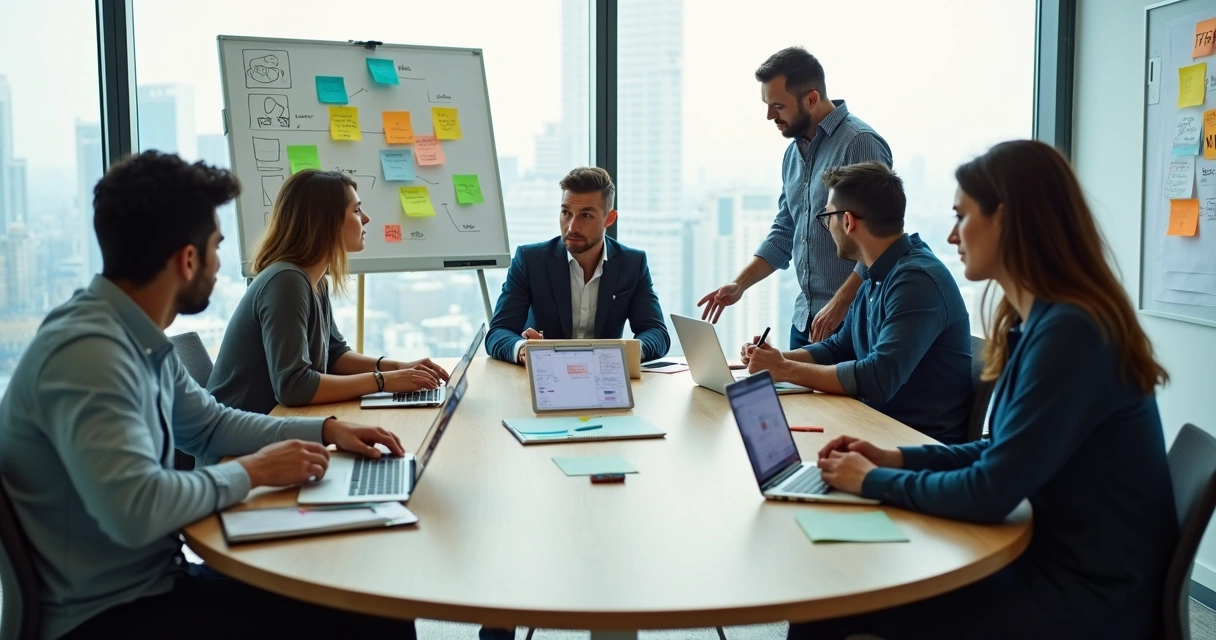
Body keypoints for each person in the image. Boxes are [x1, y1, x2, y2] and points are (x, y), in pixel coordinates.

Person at [0, 151, 418, 639]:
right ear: (188, 258)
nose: (222, 263)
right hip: (108, 615)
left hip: (157, 582)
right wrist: (255, 469)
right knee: (373, 617)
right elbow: (137, 512)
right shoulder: (90, 354)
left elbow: (212, 424)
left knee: (365, 599)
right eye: (217, 246)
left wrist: (327, 430)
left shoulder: (132, 336)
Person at [789, 140, 1178, 639]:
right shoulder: (1042, 323)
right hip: (1050, 559)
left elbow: (990, 491)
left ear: (1007, 220)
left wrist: (869, 481)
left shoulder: (1070, 334)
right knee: (836, 588)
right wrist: (895, 460)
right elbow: (1000, 450)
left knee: (830, 600)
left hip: (1082, 595)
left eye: (962, 216)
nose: (951, 235)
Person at [743, 162, 971, 443]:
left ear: (848, 221)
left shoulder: (915, 281)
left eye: (827, 218)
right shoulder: (877, 272)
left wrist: (784, 369)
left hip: (917, 443)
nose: (827, 228)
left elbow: (877, 379)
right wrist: (772, 359)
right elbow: (840, 347)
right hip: (875, 426)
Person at [209, 169, 449, 415]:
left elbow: (334, 356)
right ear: (326, 221)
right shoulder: (286, 281)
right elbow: (293, 387)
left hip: (274, 428)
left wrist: (397, 367)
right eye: (356, 210)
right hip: (238, 447)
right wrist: (383, 380)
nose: (366, 218)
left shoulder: (314, 279)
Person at [699, 46, 892, 349]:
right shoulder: (793, 153)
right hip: (806, 321)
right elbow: (785, 232)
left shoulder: (860, 144)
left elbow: (881, 239)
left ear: (811, 99)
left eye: (778, 105)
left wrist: (840, 303)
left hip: (851, 322)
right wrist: (740, 284)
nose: (769, 116)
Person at [485, 166, 670, 365]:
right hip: (545, 377)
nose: (572, 227)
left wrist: (626, 352)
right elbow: (498, 332)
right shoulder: (530, 260)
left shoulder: (632, 264)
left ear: (609, 218)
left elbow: (656, 332)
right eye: (566, 212)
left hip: (605, 379)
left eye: (586, 215)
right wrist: (522, 349)